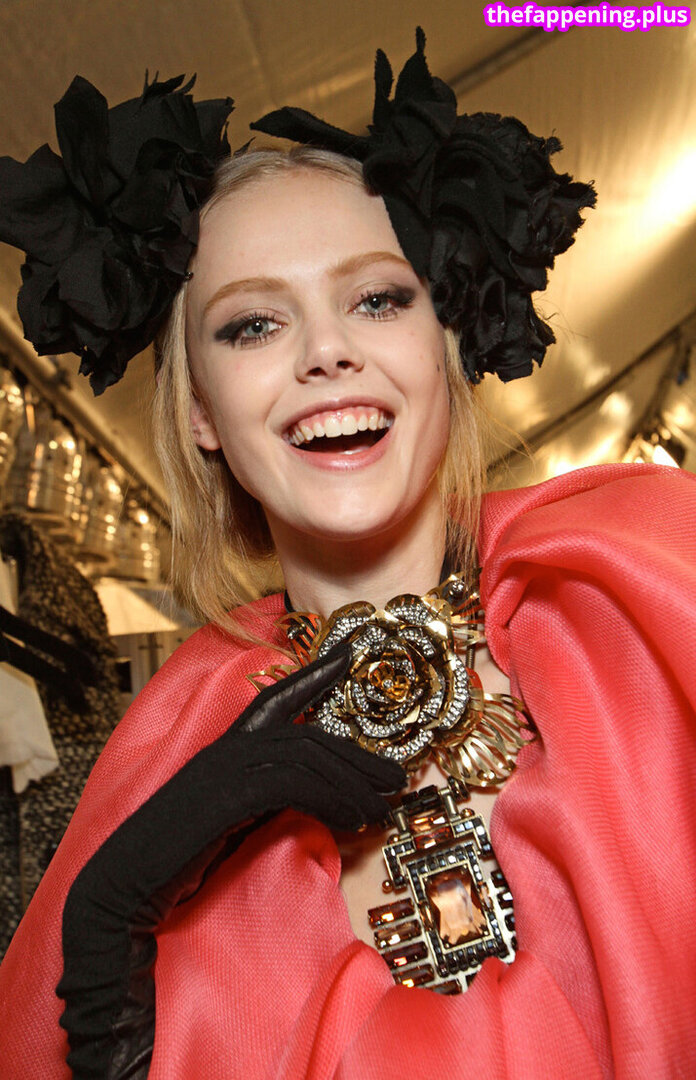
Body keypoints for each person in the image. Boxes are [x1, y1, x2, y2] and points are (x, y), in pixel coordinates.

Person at [0, 30, 695, 1080]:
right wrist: (105, 959)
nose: (327, 351)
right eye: (252, 325)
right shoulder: (173, 751)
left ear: (445, 350)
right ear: (200, 413)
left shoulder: (651, 596)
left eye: (377, 298)